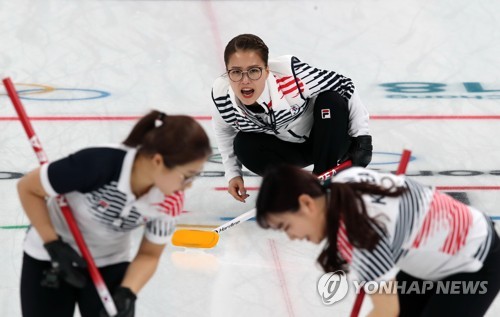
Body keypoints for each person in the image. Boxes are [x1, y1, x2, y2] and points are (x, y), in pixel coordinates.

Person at [17, 110, 211, 317]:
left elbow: (149, 254)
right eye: (187, 176)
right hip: (50, 255)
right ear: (157, 161)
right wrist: (52, 244)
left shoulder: (170, 199)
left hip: (109, 262)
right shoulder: (98, 164)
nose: (188, 186)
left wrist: (128, 292)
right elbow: (28, 188)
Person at [255, 165, 500, 317]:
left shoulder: (359, 234)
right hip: (441, 252)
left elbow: (386, 310)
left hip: (476, 264)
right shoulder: (344, 181)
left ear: (306, 203)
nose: (292, 237)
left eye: (286, 226)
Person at [211, 33, 372, 203]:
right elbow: (224, 131)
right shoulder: (222, 97)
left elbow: (345, 85)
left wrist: (362, 139)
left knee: (330, 100)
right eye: (236, 72)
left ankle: (322, 184)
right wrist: (233, 174)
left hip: (329, 138)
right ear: (227, 74)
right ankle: (291, 187)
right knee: (243, 144)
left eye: (254, 71)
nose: (245, 80)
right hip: (288, 151)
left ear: (266, 71)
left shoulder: (291, 75)